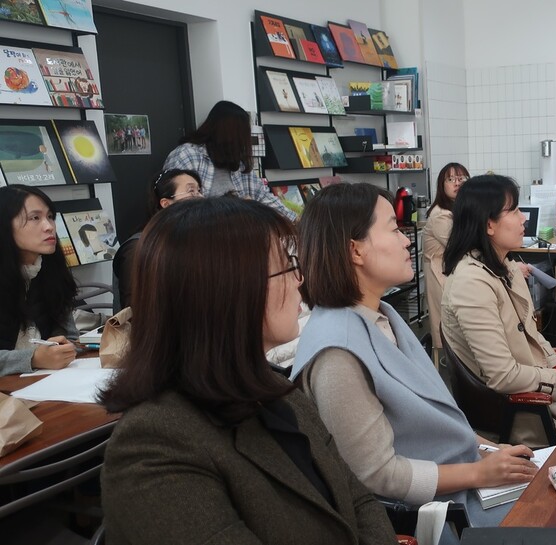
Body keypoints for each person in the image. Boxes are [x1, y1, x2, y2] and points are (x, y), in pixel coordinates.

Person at [98, 198, 396, 544]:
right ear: (227, 290)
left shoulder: (273, 389)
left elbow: (358, 500)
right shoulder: (155, 448)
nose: (299, 279)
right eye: (287, 267)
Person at [290, 183, 537, 530]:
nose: (407, 240)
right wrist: (479, 471)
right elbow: (379, 475)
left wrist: (489, 451)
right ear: (355, 250)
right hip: (438, 515)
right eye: (394, 229)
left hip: (465, 482)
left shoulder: (383, 314)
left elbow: (436, 419)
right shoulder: (336, 354)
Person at [440, 175, 556, 448]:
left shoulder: (506, 267)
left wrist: (555, 362)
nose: (524, 219)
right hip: (525, 412)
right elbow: (503, 375)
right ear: (488, 224)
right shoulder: (470, 283)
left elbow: (530, 333)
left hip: (540, 394)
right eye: (514, 211)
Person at [163, 100, 297, 221]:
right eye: (243, 135)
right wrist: (241, 207)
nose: (245, 142)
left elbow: (262, 196)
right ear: (229, 134)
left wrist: (295, 220)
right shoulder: (188, 155)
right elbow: (179, 209)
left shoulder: (237, 162)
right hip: (199, 237)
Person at [0, 185, 78, 376]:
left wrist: (64, 347)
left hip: (44, 384)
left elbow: (69, 335)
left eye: (50, 216)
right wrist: (33, 358)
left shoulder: (51, 271)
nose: (49, 226)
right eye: (35, 218)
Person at [112, 168, 203, 311]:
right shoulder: (137, 247)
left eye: (199, 191)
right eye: (191, 191)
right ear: (166, 203)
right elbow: (133, 311)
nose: (200, 197)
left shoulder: (191, 241)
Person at [422, 162, 469, 351]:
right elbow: (459, 245)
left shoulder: (459, 209)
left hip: (453, 270)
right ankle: (448, 364)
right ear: (442, 186)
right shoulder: (440, 215)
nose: (457, 183)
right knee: (446, 323)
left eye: (462, 179)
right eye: (451, 179)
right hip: (440, 273)